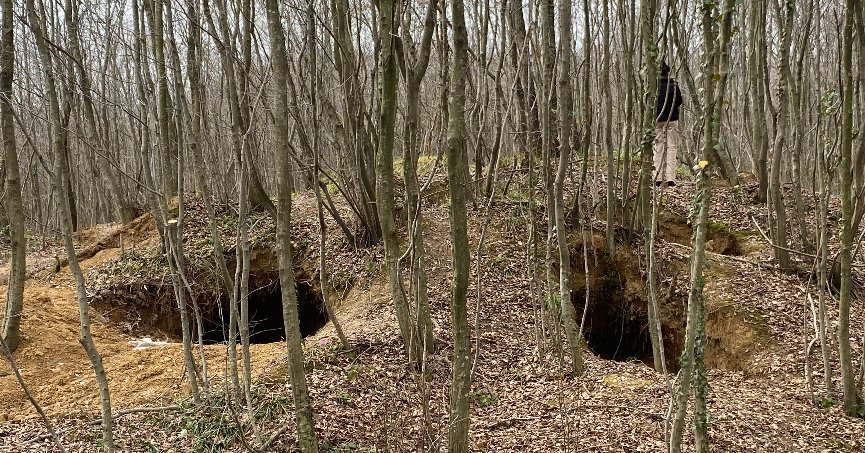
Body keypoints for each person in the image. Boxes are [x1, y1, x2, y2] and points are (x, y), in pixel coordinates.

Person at [654, 61, 684, 187]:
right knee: (672, 147)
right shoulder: (673, 85)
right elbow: (679, 101)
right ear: (668, 72)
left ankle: (658, 177)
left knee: (658, 147)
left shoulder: (654, 86)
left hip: (657, 120)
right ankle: (670, 178)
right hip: (672, 120)